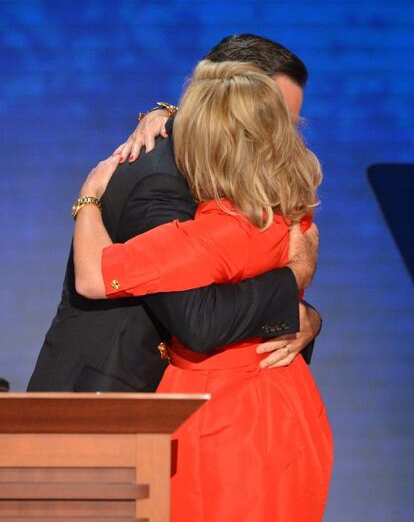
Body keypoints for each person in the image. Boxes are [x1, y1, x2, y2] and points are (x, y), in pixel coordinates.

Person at [72, 60, 333, 521]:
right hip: (291, 408)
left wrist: (89, 199)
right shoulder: (290, 214)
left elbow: (92, 278)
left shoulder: (208, 237)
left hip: (224, 426)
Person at [28, 34, 321, 393]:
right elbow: (199, 320)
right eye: (275, 121)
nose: (284, 138)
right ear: (235, 106)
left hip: (188, 404)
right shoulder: (165, 177)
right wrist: (295, 280)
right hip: (104, 399)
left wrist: (304, 314)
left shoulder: (239, 198)